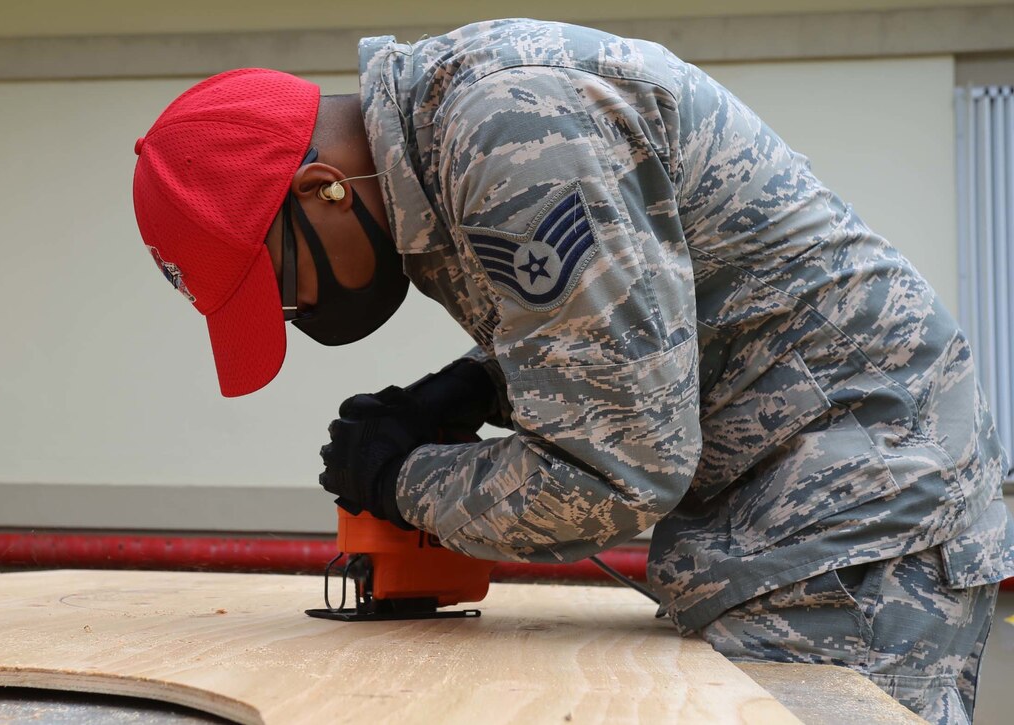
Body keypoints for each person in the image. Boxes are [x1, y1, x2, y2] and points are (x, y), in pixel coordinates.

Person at [131, 19, 1013, 722]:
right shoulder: (445, 139)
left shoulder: (507, 132)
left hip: (855, 520)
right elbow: (620, 321)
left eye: (280, 287)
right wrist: (471, 386)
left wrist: (407, 480)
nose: (295, 315)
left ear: (323, 188)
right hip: (801, 507)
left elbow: (618, 471)